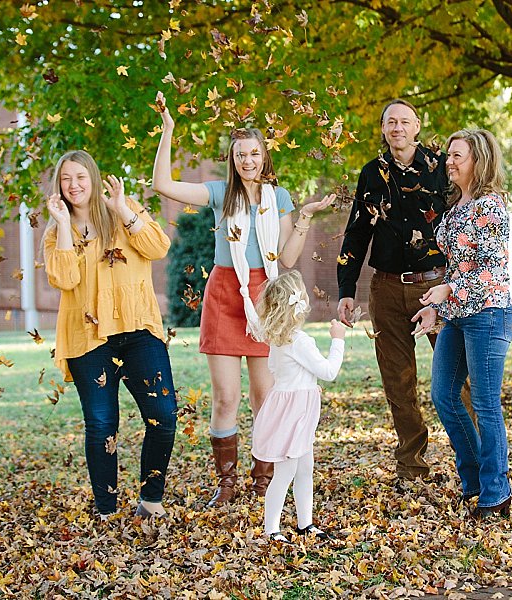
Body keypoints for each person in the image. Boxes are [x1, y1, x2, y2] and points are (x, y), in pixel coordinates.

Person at [151, 91, 335, 507]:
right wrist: (168, 130)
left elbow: (287, 258)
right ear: (233, 160)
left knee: (264, 397)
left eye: (254, 154)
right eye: (240, 155)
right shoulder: (220, 194)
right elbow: (163, 184)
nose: (247, 161)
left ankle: (262, 480)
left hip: (266, 296)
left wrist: (304, 218)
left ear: (264, 157)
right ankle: (228, 483)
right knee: (226, 397)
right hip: (225, 293)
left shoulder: (279, 198)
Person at [43, 150, 177, 520]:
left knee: (163, 416)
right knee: (102, 426)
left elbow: (158, 247)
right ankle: (107, 511)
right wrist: (65, 228)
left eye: (81, 177)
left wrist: (123, 209)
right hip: (88, 339)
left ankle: (151, 500)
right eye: (66, 179)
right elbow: (65, 279)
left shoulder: (123, 209)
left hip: (138, 332)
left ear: (94, 177)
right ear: (59, 186)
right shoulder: (56, 234)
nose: (74, 185)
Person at [337, 98, 465, 483]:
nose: (397, 128)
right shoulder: (371, 174)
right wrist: (347, 289)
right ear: (382, 128)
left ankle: (475, 460)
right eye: (390, 122)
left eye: (404, 122)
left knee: (459, 378)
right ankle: (412, 466)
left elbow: (463, 223)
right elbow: (357, 233)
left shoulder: (441, 169)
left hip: (437, 288)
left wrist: (456, 281)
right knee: (398, 381)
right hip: (388, 291)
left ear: (417, 126)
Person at [411, 128, 512, 519]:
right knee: (444, 396)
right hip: (456, 315)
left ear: (479, 161)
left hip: (489, 314)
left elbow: (491, 267)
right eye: (449, 155)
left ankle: (495, 493)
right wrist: (437, 306)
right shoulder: (456, 208)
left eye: (458, 156)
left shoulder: (491, 206)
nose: (449, 161)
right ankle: (473, 482)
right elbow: (458, 267)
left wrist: (446, 289)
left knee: (486, 406)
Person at [252, 271, 345, 542]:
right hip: (293, 415)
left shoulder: (281, 340)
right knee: (287, 472)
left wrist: (305, 385)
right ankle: (272, 530)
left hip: (295, 410)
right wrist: (337, 339)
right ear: (300, 302)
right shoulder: (300, 341)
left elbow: (279, 370)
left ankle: (306, 523)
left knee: (305, 468)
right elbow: (329, 371)